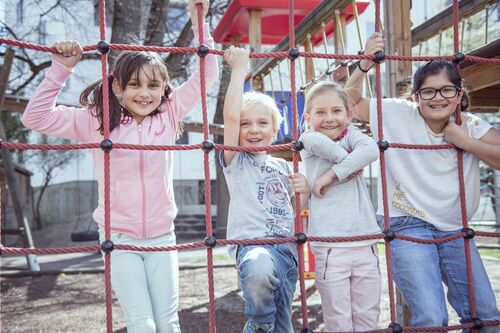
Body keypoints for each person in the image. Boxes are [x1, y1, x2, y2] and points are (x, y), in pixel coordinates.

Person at [21, 1, 218, 332]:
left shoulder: (169, 114)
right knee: (143, 324)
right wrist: (61, 69)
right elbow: (35, 117)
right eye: (135, 85)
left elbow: (207, 73)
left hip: (161, 236)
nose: (145, 94)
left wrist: (199, 22)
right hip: (119, 237)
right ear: (117, 86)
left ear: (163, 89)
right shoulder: (98, 121)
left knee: (169, 323)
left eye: (153, 86)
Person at [345, 32, 500, 332]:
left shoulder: (469, 125)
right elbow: (350, 102)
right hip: (408, 222)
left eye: (446, 90)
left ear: (459, 93)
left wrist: (464, 141)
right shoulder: (396, 114)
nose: (438, 97)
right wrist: (364, 64)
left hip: (456, 227)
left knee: (488, 317)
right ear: (415, 97)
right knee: (431, 317)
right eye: (428, 92)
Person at [221, 46, 310, 333]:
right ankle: (258, 323)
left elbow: (295, 210)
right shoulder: (236, 161)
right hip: (252, 244)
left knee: (283, 324)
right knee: (259, 271)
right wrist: (238, 70)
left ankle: (267, 325)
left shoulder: (283, 166)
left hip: (285, 250)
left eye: (262, 123)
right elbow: (231, 118)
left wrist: (303, 190)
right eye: (246, 124)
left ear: (275, 130)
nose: (254, 129)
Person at [299, 81, 381, 332]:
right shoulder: (308, 138)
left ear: (348, 114)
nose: (329, 118)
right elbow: (327, 147)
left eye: (336, 111)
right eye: (320, 112)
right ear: (308, 117)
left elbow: (371, 149)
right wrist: (350, 163)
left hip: (365, 241)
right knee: (338, 316)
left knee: (368, 313)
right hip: (330, 244)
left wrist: (333, 174)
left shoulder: (352, 134)